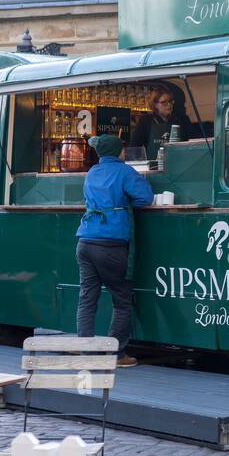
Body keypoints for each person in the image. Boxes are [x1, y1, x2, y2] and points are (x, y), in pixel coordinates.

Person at [75, 135, 153, 367]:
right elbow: (145, 197)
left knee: (87, 299)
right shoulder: (125, 172)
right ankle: (116, 354)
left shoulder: (91, 172)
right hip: (110, 243)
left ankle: (86, 352)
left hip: (85, 241)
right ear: (120, 152)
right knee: (121, 298)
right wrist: (126, 206)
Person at [130, 83, 198, 152]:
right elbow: (134, 147)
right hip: (154, 161)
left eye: (170, 101)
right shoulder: (145, 121)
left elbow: (193, 145)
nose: (169, 105)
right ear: (155, 104)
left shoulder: (182, 120)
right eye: (164, 102)